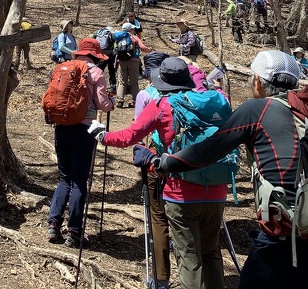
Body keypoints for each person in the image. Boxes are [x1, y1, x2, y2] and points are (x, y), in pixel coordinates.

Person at [135, 50, 308, 289]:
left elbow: (206, 151)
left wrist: (161, 162)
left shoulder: (257, 109)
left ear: (257, 80)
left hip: (285, 230)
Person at [90, 57, 227, 289]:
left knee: (189, 255)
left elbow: (129, 136)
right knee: (211, 252)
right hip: (217, 190)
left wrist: (103, 136)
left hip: (180, 193)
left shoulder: (164, 104)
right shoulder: (217, 101)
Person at [46, 38, 115, 248]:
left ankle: (53, 224)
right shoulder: (96, 73)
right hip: (85, 130)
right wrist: (112, 102)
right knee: (79, 181)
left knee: (64, 178)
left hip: (62, 127)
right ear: (96, 55)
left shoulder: (62, 68)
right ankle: (74, 232)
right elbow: (103, 105)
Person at [129, 51, 173, 289]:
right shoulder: (182, 92)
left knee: (157, 216)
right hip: (180, 159)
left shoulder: (146, 95)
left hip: (155, 159)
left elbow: (139, 130)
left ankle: (160, 279)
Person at [115, 22, 152, 108]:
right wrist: (149, 50)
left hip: (121, 61)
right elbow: (142, 48)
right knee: (134, 82)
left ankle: (119, 101)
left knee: (122, 82)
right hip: (134, 61)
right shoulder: (133, 37)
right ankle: (136, 101)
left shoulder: (119, 38)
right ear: (130, 30)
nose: (134, 30)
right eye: (132, 29)